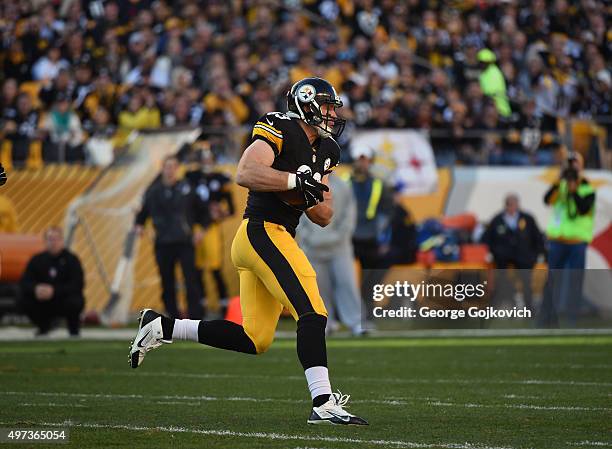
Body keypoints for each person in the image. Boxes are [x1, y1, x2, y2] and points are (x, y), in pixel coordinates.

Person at [129, 77, 368, 426]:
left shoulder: (328, 150)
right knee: (314, 312)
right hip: (261, 231)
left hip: (271, 236)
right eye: (328, 106)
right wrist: (292, 181)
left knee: (254, 338)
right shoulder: (280, 126)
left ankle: (162, 327)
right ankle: (323, 401)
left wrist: (308, 191)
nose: (333, 114)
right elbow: (246, 172)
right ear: (306, 104)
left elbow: (323, 215)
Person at [134, 155, 209, 319]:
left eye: (174, 166)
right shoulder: (153, 191)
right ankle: (172, 317)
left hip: (185, 241)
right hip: (162, 242)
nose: (170, 170)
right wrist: (139, 225)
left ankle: (195, 318)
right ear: (162, 168)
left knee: (191, 280)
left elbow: (204, 212)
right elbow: (143, 213)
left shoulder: (187, 188)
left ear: (178, 169)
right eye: (167, 166)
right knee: (167, 281)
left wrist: (201, 230)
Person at [298, 173, 364, 336]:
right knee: (319, 288)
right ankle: (326, 324)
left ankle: (355, 322)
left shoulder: (343, 186)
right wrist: (307, 238)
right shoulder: (305, 184)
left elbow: (349, 216)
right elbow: (298, 215)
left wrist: (339, 236)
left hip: (340, 248)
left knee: (347, 283)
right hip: (313, 248)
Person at [538, 153, 596, 327]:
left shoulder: (586, 187)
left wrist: (574, 189)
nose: (572, 168)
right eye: (569, 164)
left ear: (581, 166)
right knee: (552, 280)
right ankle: (545, 318)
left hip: (577, 242)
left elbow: (583, 208)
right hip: (558, 241)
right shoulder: (560, 185)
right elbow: (547, 200)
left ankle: (572, 319)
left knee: (575, 281)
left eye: (575, 164)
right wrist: (559, 180)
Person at [185, 148, 235, 317]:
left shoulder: (220, 179)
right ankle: (200, 307)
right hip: (196, 228)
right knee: (196, 270)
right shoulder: (191, 177)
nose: (206, 162)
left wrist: (220, 212)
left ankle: (223, 307)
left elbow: (231, 209)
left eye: (209, 158)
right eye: (203, 158)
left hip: (212, 228)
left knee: (215, 269)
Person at [482, 194, 544, 310]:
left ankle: (529, 309)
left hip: (524, 257)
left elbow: (537, 237)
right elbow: (487, 238)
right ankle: (504, 306)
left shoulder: (527, 219)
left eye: (513, 204)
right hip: (502, 258)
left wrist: (538, 254)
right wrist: (493, 252)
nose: (511, 207)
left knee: (526, 282)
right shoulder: (497, 219)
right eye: (509, 204)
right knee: (502, 281)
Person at [19, 226, 85, 336]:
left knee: (76, 300)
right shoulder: (37, 260)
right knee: (23, 299)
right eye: (50, 239)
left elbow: (77, 284)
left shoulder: (72, 260)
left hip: (63, 300)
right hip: (43, 302)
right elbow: (24, 282)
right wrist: (36, 289)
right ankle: (43, 327)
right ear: (45, 241)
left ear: (62, 241)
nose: (54, 242)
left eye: (57, 239)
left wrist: (55, 291)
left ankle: (74, 330)